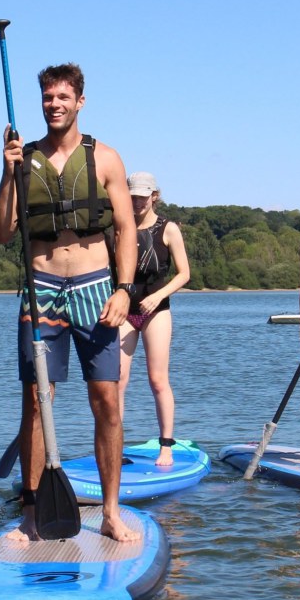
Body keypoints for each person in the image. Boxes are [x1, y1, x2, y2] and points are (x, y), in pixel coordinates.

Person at [0, 63, 141, 543]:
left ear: (80, 101)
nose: (54, 105)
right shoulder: (24, 159)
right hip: (41, 290)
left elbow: (127, 230)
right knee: (37, 404)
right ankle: (31, 513)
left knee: (107, 403)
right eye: (47, 98)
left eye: (62, 97)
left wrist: (125, 289)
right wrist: (6, 170)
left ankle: (112, 511)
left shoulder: (107, 159)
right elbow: (0, 232)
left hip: (97, 290)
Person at [117, 172, 191, 467]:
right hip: (124, 309)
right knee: (116, 382)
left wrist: (159, 296)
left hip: (155, 311)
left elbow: (184, 273)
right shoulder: (119, 226)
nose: (136, 201)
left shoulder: (168, 228)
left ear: (154, 196)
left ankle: (166, 446)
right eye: (132, 195)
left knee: (157, 380)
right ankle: (115, 448)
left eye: (142, 196)